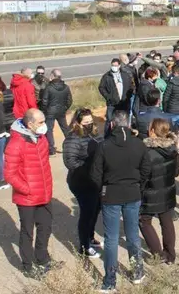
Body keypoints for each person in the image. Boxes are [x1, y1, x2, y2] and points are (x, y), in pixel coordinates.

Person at [90, 111, 149, 290]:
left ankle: (110, 281)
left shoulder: (104, 146)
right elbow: (146, 170)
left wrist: (104, 188)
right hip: (133, 193)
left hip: (111, 194)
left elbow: (95, 174)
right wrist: (139, 186)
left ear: (112, 125)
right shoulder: (139, 144)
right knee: (132, 236)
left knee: (111, 238)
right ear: (128, 124)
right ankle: (137, 272)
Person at [4, 109, 58, 279]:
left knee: (45, 227)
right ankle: (28, 266)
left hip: (44, 194)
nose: (44, 125)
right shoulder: (16, 143)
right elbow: (9, 174)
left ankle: (42, 258)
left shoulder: (41, 138)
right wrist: (28, 189)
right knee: (28, 232)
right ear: (30, 124)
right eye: (41, 122)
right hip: (27, 197)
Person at [61, 108, 102, 258]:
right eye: (86, 123)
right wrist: (90, 168)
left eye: (91, 122)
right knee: (86, 213)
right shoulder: (72, 139)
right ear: (77, 122)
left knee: (96, 210)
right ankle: (84, 246)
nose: (89, 125)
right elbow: (70, 162)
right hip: (81, 182)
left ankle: (90, 237)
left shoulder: (96, 134)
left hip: (96, 180)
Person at [140, 118, 179, 264]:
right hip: (168, 190)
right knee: (166, 220)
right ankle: (170, 255)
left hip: (151, 193)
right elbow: (176, 172)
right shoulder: (172, 150)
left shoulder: (147, 153)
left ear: (152, 132)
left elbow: (143, 176)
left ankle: (158, 253)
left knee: (144, 220)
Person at [99, 58, 134, 135]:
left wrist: (129, 95)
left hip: (124, 102)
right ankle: (107, 136)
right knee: (109, 120)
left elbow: (131, 86)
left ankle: (125, 134)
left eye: (116, 65)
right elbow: (101, 87)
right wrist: (108, 97)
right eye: (112, 65)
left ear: (119, 66)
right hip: (112, 103)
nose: (114, 67)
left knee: (125, 119)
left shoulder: (125, 75)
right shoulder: (106, 76)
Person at [41, 69, 72, 156]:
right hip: (61, 111)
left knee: (49, 130)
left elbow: (44, 101)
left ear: (53, 76)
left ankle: (51, 149)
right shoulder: (66, 87)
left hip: (50, 112)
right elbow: (70, 100)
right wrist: (65, 108)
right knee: (65, 128)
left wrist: (46, 110)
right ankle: (71, 145)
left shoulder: (49, 87)